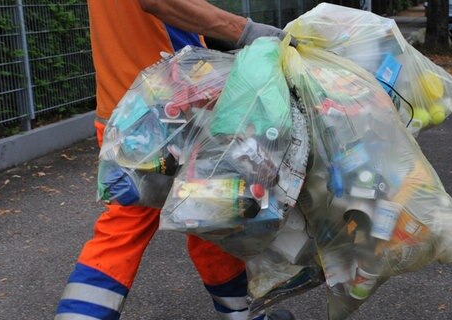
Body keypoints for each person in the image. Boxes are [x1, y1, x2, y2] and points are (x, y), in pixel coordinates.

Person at [54, 1, 295, 319]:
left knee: (208, 216)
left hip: (128, 105)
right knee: (185, 214)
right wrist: (244, 31)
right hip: (170, 107)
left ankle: (242, 315)